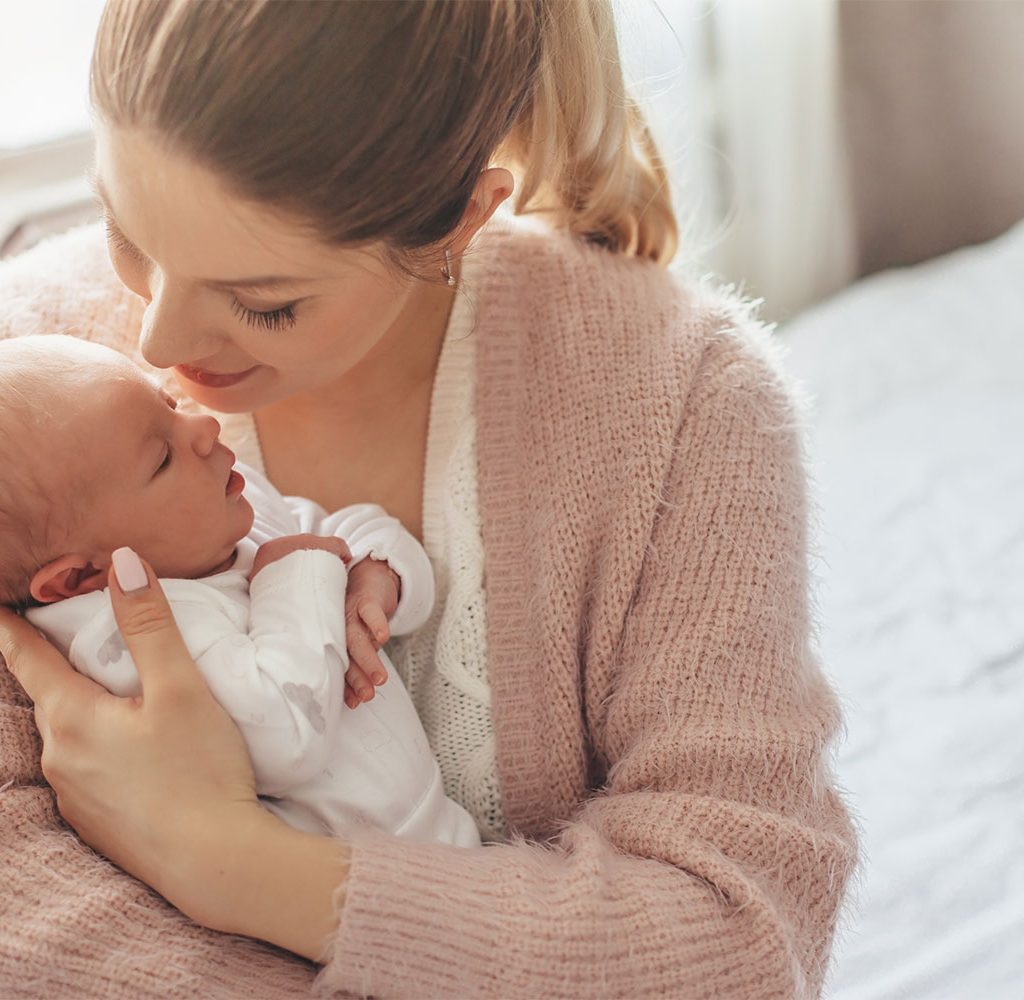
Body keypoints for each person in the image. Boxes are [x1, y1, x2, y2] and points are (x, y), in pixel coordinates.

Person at [0, 1, 858, 996]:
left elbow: (735, 934)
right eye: (126, 231)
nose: (156, 341)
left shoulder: (686, 405)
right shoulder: (27, 383)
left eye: (266, 301)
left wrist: (227, 865)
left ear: (458, 217)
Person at [0, 335, 480, 847]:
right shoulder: (122, 641)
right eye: (162, 457)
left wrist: (374, 575)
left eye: (170, 404)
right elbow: (286, 740)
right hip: (337, 878)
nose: (204, 428)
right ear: (77, 579)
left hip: (439, 827)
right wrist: (294, 574)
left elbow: (343, 527)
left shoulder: (218, 520)